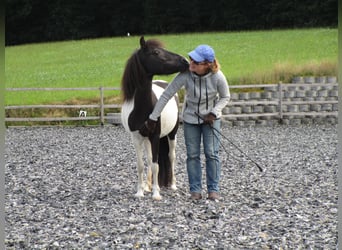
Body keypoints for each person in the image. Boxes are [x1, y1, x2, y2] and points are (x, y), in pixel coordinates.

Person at [140, 44, 230, 201]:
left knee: (211, 153)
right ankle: (195, 190)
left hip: (211, 120)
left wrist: (214, 113)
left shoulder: (218, 77)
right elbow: (166, 95)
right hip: (190, 119)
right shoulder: (185, 75)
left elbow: (225, 97)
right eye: (191, 59)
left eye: (196, 61)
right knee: (193, 155)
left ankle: (213, 190)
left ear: (207, 64)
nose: (191, 63)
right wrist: (153, 117)